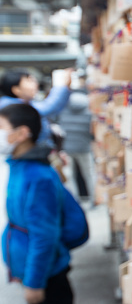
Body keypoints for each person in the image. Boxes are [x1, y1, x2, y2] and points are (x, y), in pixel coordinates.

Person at [0, 104, 73, 304]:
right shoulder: (18, 165)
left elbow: (44, 235)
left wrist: (34, 283)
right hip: (30, 268)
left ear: (22, 133)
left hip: (46, 276)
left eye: (1, 126)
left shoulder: (38, 176)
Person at [0, 68, 71, 147]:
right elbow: (48, 107)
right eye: (29, 81)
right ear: (16, 90)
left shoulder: (24, 103)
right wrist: (61, 85)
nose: (35, 84)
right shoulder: (11, 106)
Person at [58, 89, 96, 205]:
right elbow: (91, 132)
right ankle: (93, 200)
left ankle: (74, 201)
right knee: (89, 174)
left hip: (67, 148)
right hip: (84, 148)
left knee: (70, 176)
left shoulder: (63, 112)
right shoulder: (89, 113)